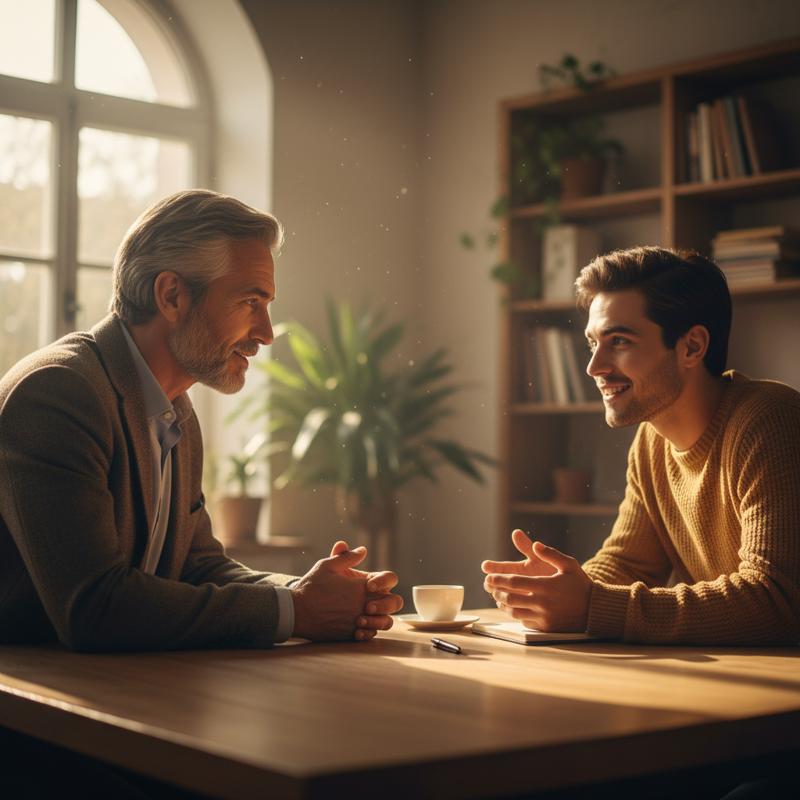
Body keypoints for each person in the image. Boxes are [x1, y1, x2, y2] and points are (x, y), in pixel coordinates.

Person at [0, 189, 403, 651]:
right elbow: (94, 607)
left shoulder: (175, 411)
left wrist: (304, 594)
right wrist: (297, 611)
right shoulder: (58, 392)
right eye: (251, 302)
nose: (267, 334)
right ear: (172, 296)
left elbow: (197, 566)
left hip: (119, 690)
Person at [482, 246, 800, 645]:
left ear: (692, 347)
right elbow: (628, 563)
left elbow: (778, 601)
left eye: (619, 341)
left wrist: (591, 606)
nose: (594, 367)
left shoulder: (769, 420)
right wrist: (559, 589)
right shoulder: (651, 440)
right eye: (592, 342)